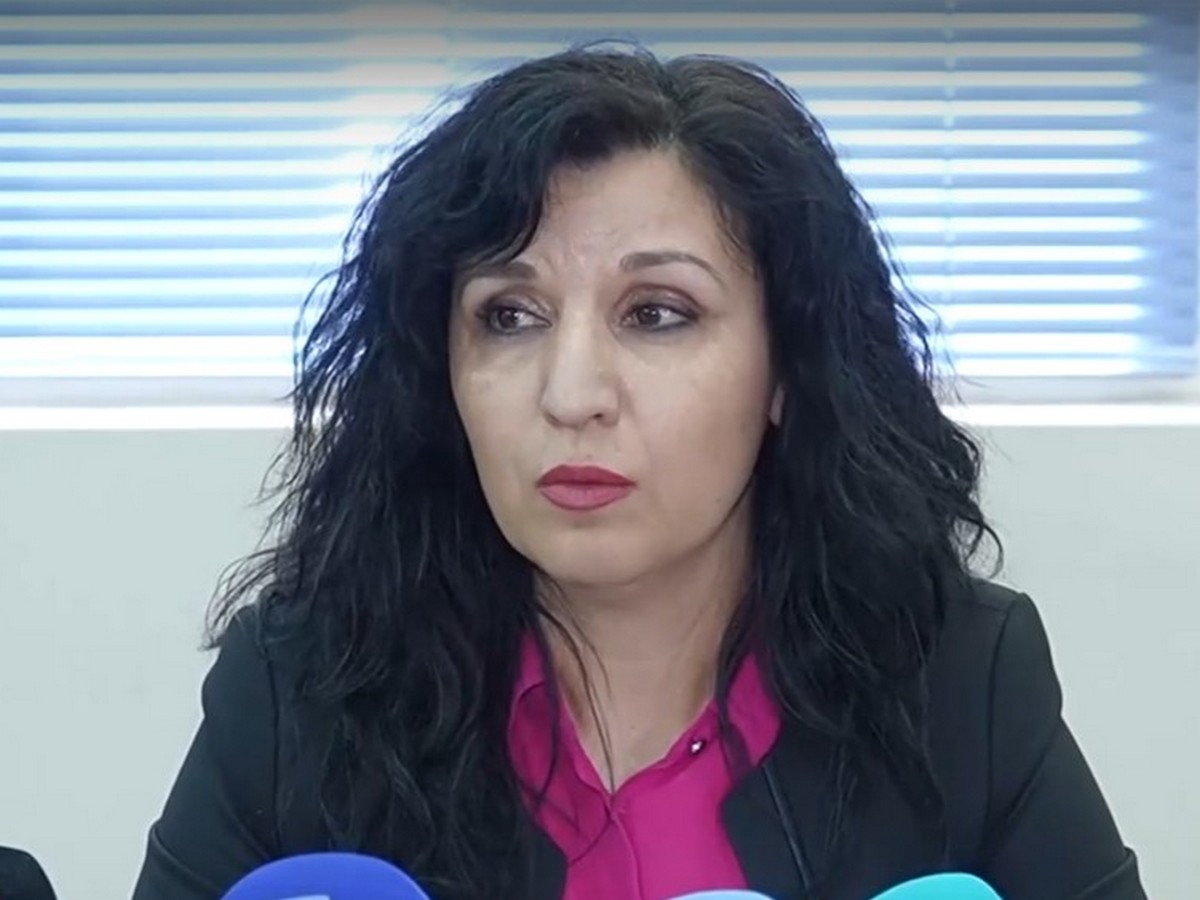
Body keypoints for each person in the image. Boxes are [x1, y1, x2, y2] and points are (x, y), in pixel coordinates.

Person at [132, 45, 1145, 900]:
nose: (572, 393)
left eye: (657, 313)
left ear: (786, 371)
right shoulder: (301, 689)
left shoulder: (957, 680)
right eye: (509, 316)